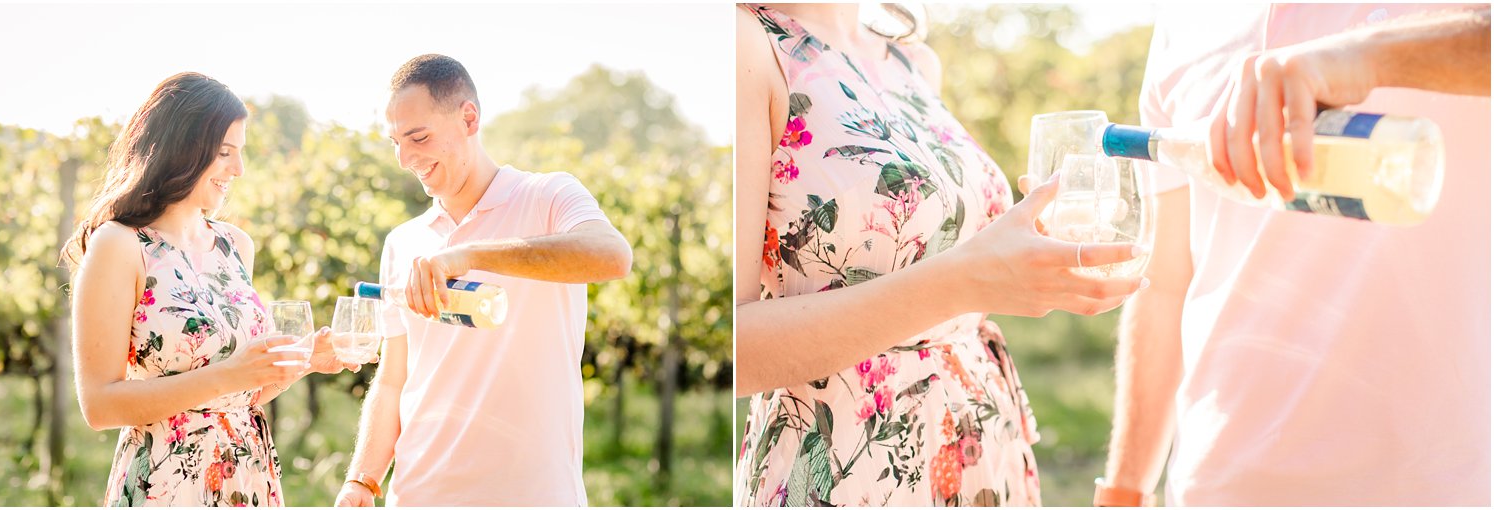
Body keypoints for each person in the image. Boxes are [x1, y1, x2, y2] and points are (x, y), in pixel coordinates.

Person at [733, 4, 1148, 506]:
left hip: (978, 444)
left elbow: (936, 246)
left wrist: (1021, 249)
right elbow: (732, 352)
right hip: (847, 463)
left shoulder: (914, 61)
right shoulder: (749, 44)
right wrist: (967, 279)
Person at [1102, 4, 1490, 506]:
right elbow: (1167, 280)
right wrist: (1123, 490)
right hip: (1214, 484)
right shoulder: (1184, 22)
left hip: (1438, 484)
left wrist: (1365, 54)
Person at [333, 54, 632, 507]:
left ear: (468, 118)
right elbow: (394, 379)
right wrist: (362, 480)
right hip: (418, 496)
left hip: (534, 496)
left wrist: (469, 256)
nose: (405, 158)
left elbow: (613, 256)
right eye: (396, 141)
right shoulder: (403, 242)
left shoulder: (548, 196)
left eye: (419, 137)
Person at [64, 72, 357, 506]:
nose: (238, 169)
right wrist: (231, 374)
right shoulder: (121, 245)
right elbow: (99, 405)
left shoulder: (235, 245)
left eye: (240, 153)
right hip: (168, 483)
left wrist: (305, 361)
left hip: (247, 473)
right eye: (224, 153)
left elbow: (240, 394)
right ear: (181, 148)